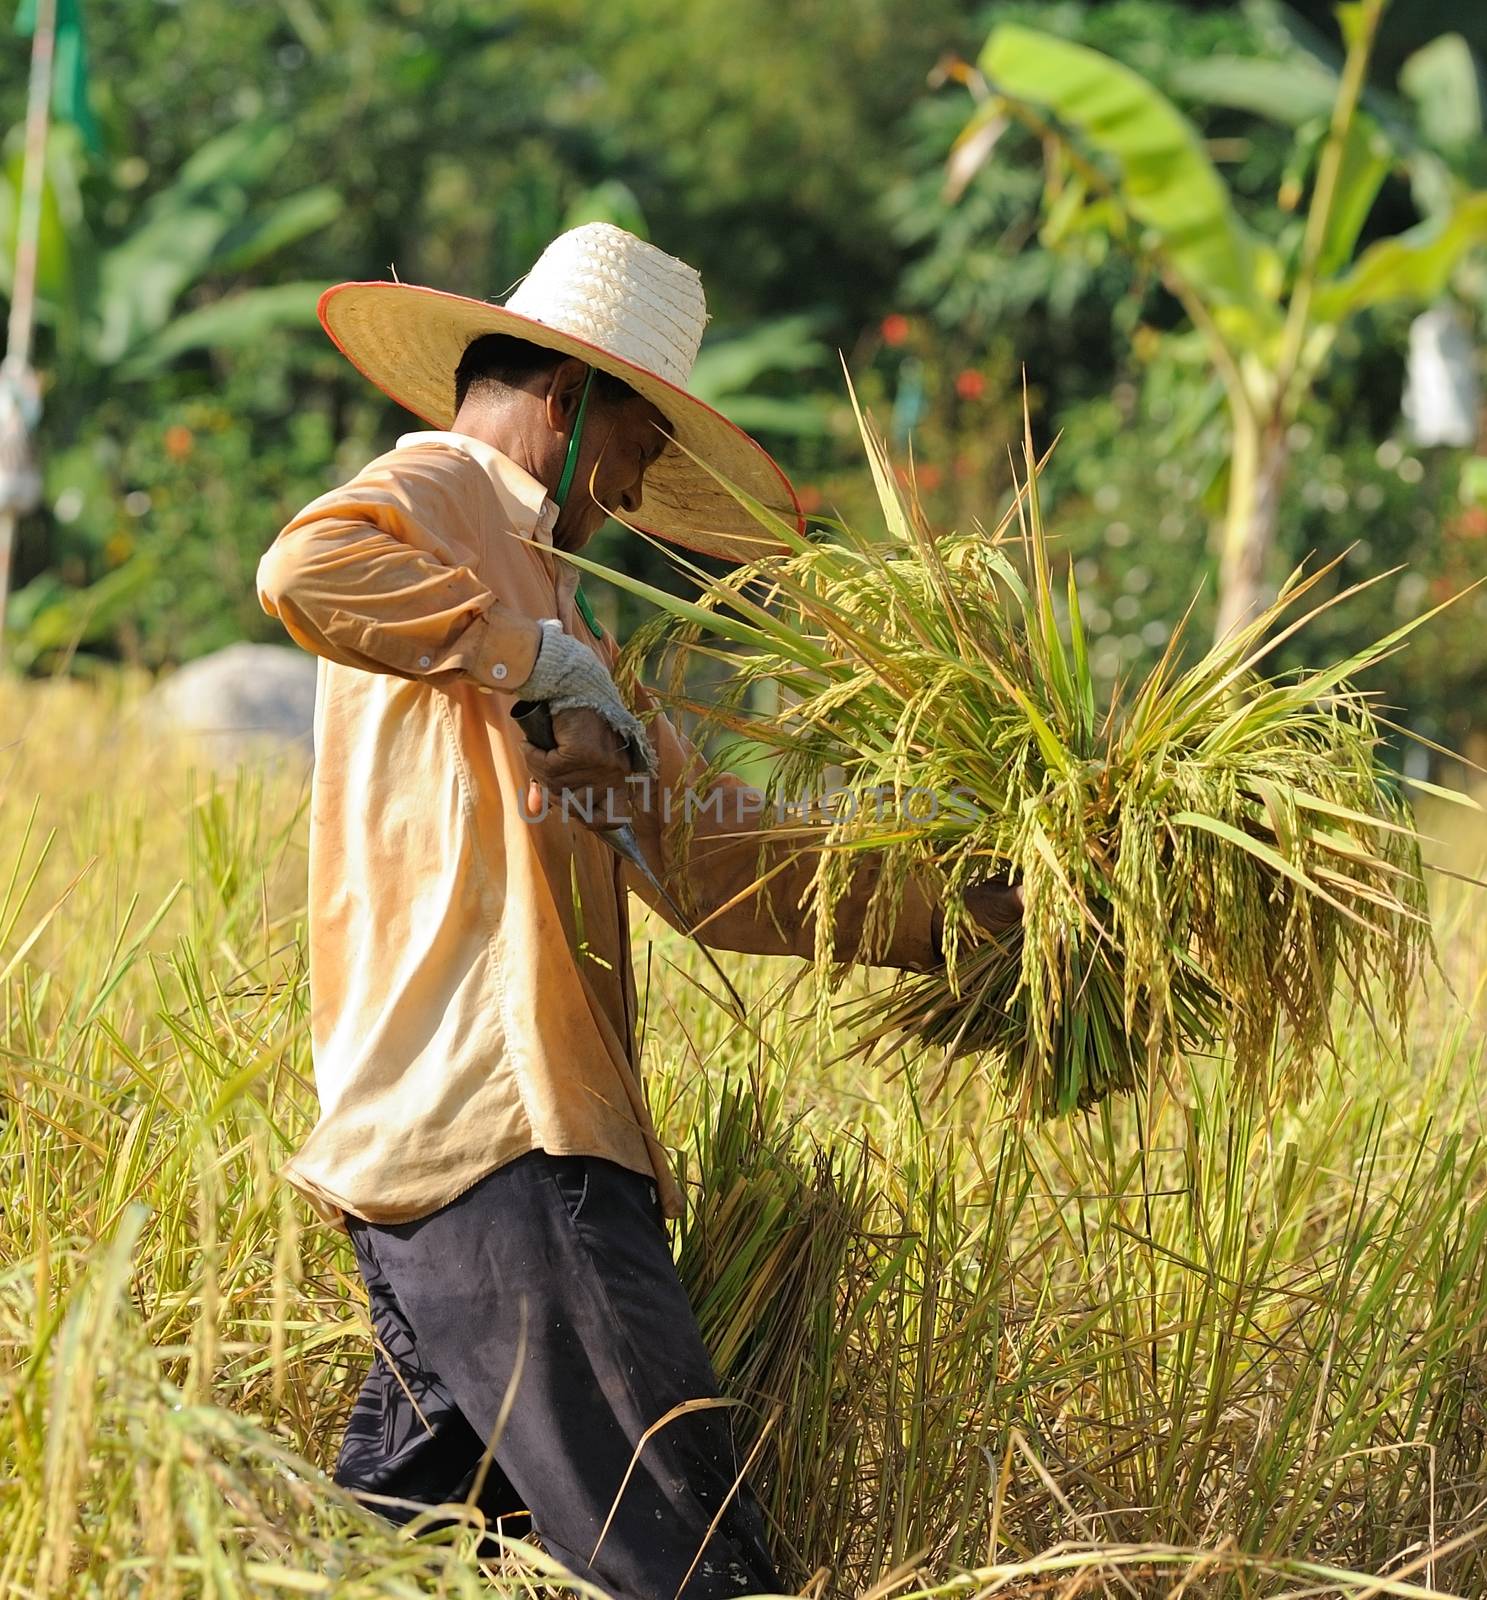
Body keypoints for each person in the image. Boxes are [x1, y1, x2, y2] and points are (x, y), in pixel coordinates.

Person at [256, 222, 1022, 1600]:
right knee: (688, 1559)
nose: (638, 482)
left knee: (394, 1564)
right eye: (638, 445)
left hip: (444, 1162)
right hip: (511, 1135)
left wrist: (956, 909)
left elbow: (708, 861)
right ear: (570, 397)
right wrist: (522, 654)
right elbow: (305, 570)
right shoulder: (439, 492)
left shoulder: (575, 613)